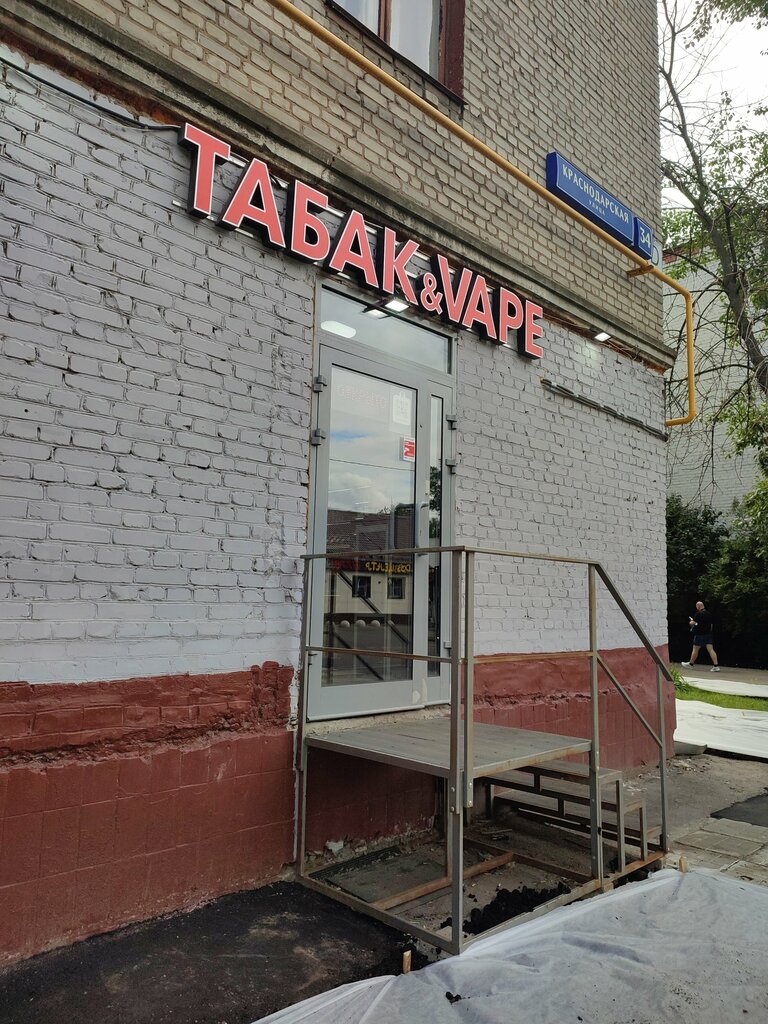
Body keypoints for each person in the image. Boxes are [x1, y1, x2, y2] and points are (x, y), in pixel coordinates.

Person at [682, 600, 720, 671]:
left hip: (699, 635)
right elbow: (711, 624)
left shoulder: (698, 614)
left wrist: (691, 621)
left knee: (695, 649)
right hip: (708, 634)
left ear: (698, 606)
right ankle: (716, 666)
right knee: (711, 650)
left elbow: (693, 623)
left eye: (696, 606)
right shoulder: (709, 614)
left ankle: (691, 664)